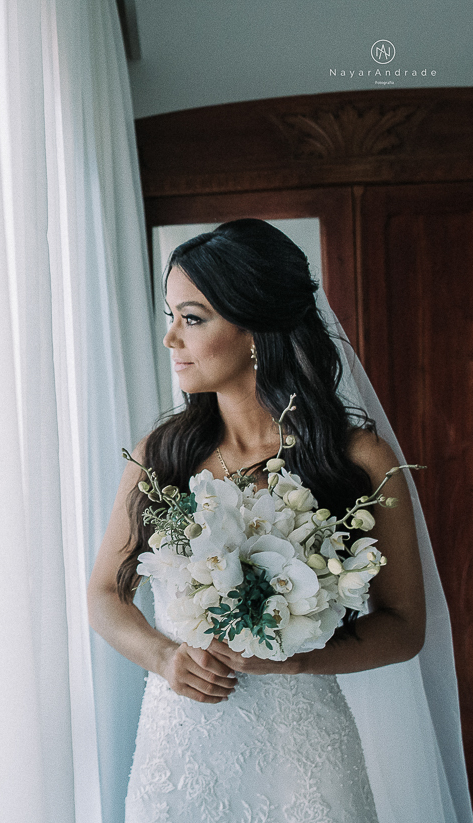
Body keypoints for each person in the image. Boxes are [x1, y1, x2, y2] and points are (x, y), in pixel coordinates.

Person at [87, 219, 470, 823]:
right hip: (180, 752)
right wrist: (163, 657)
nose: (170, 339)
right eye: (172, 316)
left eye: (192, 318)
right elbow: (105, 594)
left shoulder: (354, 460)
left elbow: (403, 627)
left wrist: (298, 658)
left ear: (253, 330)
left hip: (303, 759)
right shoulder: (163, 455)